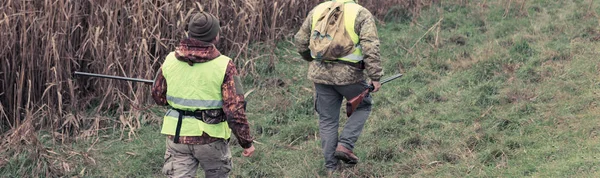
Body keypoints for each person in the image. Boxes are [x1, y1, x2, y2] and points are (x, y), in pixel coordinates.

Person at [151, 11, 255, 178]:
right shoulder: (224, 65)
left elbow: (158, 96)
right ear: (215, 37)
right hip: (211, 140)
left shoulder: (170, 59)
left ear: (190, 34)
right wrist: (246, 142)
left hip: (177, 138)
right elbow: (235, 110)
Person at [294, 0, 383, 174]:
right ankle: (345, 145)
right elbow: (370, 47)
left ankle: (331, 168)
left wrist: (311, 59)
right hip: (350, 76)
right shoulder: (361, 12)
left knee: (327, 120)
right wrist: (375, 76)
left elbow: (300, 41)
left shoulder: (318, 10)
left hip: (320, 76)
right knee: (364, 105)